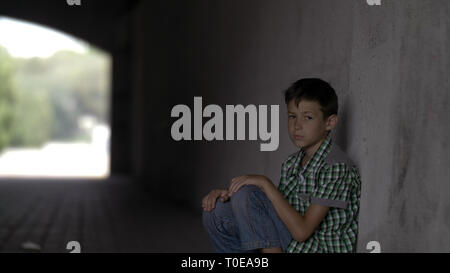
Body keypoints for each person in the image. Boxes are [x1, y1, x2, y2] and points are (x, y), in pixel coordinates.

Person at [202, 78, 361, 253]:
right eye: (292, 116)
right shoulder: (292, 163)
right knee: (216, 212)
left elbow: (302, 232)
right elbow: (270, 211)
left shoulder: (336, 167)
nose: (297, 126)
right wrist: (231, 192)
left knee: (248, 195)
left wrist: (264, 183)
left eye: (307, 117)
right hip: (293, 244)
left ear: (329, 122)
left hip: (316, 248)